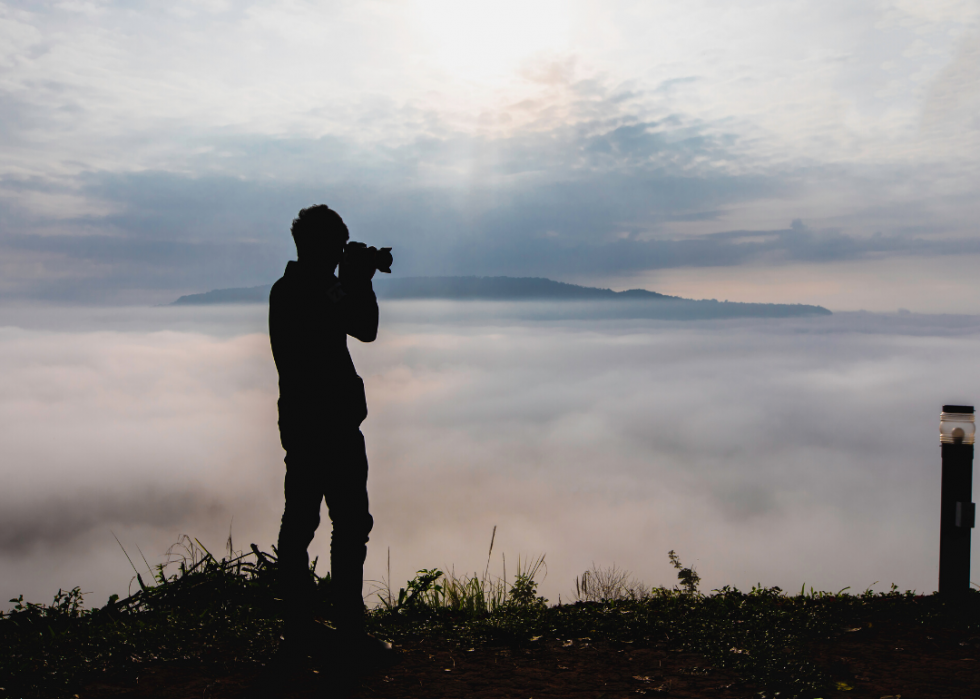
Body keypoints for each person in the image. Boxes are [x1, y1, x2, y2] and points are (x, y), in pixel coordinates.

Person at [269, 204, 387, 664]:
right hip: (331, 427)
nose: (341, 253)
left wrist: (350, 277)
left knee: (300, 526)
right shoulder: (316, 289)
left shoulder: (288, 289)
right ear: (319, 247)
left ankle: (300, 630)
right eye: (337, 246)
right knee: (348, 526)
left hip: (302, 427)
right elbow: (366, 328)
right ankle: (348, 635)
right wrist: (360, 280)